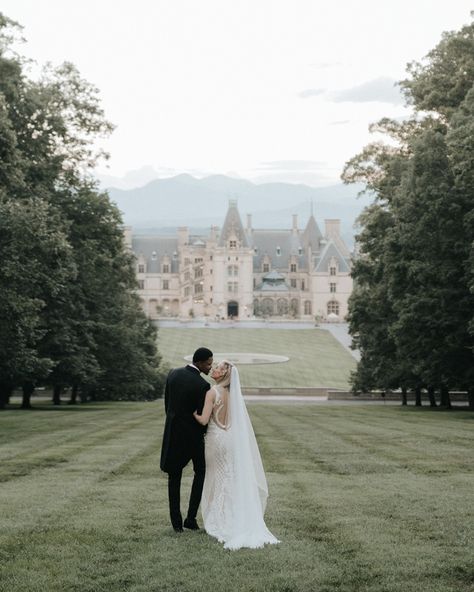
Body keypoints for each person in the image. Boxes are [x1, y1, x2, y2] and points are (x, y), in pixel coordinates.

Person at [193, 360, 279, 550]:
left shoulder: (212, 392)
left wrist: (194, 414)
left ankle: (219, 518)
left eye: (218, 367)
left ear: (224, 374)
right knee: (230, 477)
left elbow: (204, 419)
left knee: (215, 478)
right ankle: (234, 514)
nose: (214, 369)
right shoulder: (233, 395)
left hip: (215, 439)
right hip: (230, 438)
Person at [160, 347, 213, 532]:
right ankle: (191, 518)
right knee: (201, 472)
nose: (210, 367)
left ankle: (176, 524)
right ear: (199, 362)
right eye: (208, 363)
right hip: (193, 438)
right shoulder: (202, 385)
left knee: (174, 478)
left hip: (173, 435)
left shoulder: (173, 374)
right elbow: (201, 416)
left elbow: (168, 406)